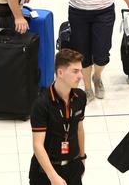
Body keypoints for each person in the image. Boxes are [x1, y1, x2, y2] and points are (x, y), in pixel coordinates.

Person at [30, 49, 87, 185]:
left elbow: (79, 128)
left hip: (73, 166)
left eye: (80, 70)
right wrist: (53, 177)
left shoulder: (80, 97)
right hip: (46, 170)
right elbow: (38, 145)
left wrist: (82, 157)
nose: (80, 76)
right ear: (60, 73)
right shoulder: (42, 104)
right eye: (75, 71)